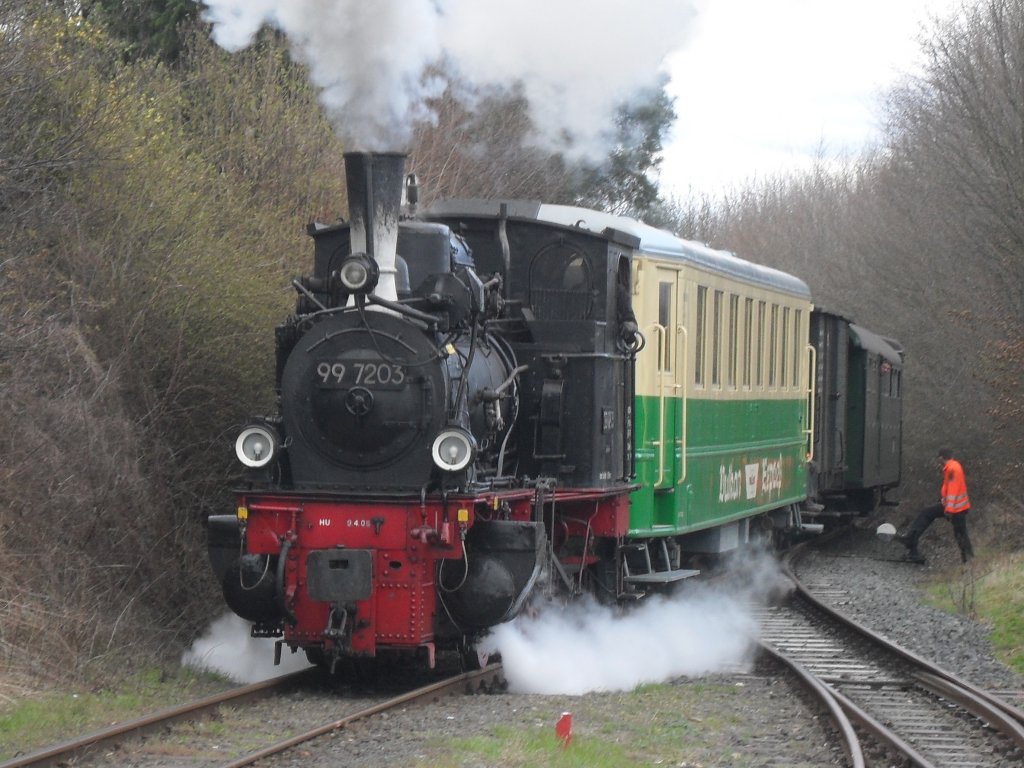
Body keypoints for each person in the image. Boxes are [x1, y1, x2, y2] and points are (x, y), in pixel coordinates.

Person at [896, 448, 975, 564]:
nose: (938, 461)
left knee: (959, 533)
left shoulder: (952, 469)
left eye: (938, 458)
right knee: (956, 530)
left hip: (956, 508)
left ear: (941, 458)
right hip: (956, 507)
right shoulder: (953, 466)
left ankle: (969, 560)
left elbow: (953, 491)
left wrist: (949, 510)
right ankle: (969, 559)